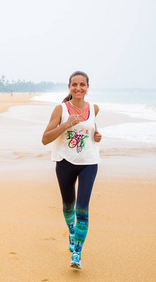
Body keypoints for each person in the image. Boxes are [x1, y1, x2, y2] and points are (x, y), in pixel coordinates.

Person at [41, 71, 102, 269]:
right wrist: (67, 124)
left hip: (89, 162)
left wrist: (97, 136)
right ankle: (71, 231)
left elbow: (91, 130)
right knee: (68, 206)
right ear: (69, 87)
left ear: (87, 87)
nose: (78, 88)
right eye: (74, 84)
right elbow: (45, 139)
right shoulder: (60, 109)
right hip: (65, 162)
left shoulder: (94, 108)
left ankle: (77, 252)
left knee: (82, 210)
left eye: (82, 85)